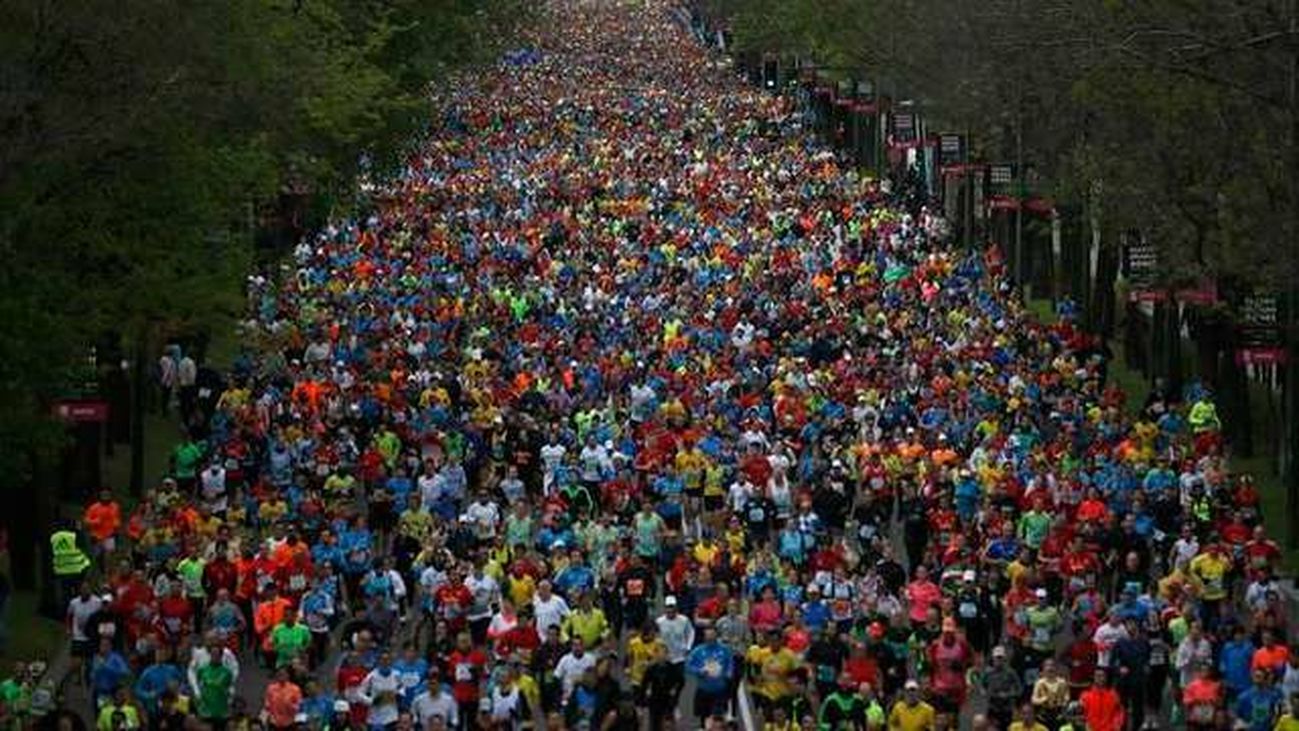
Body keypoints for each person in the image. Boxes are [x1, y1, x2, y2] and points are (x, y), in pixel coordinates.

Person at [686, 627, 735, 722]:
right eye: (708, 636)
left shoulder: (724, 649)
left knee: (718, 718)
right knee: (704, 717)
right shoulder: (697, 651)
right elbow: (688, 666)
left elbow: (730, 662)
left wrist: (728, 673)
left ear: (716, 636)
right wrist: (699, 671)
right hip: (704, 689)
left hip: (720, 689)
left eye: (712, 635)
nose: (710, 638)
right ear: (704, 637)